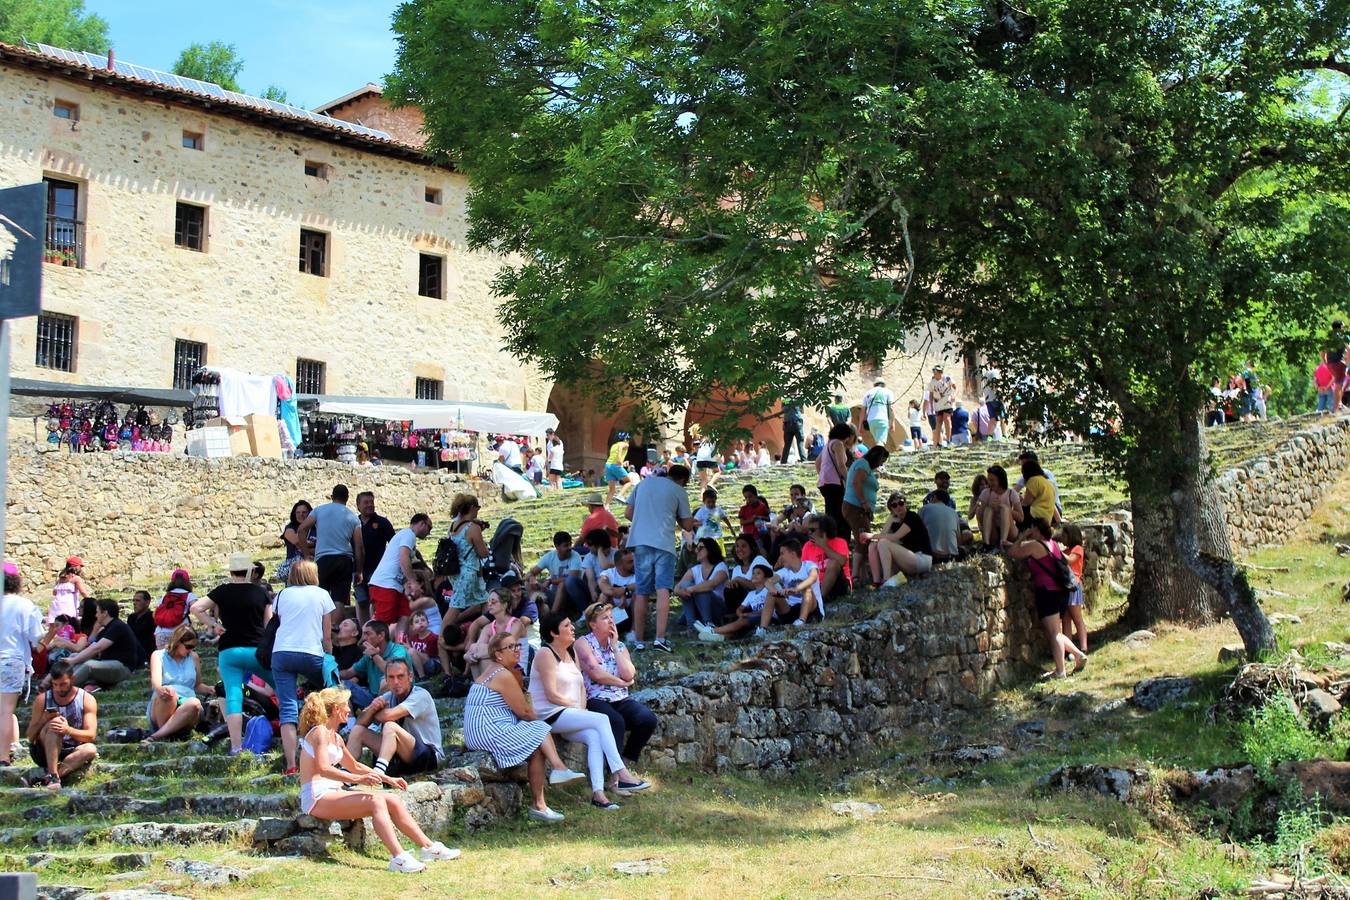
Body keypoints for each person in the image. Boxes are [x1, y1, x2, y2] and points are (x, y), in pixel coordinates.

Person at [296, 687, 460, 873]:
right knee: (376, 802)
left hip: (332, 792)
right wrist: (359, 779)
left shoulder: (336, 737)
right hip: (316, 797)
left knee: (393, 800)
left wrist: (388, 779)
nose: (349, 710)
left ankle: (429, 848)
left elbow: (355, 766)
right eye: (345, 705)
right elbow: (323, 769)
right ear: (335, 709)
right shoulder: (319, 732)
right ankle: (398, 858)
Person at [529, 613, 651, 808]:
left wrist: (581, 709)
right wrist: (579, 710)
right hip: (549, 714)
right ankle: (621, 772)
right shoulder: (545, 653)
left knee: (594, 735)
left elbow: (581, 688)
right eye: (567, 625)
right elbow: (551, 695)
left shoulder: (571, 653)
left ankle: (598, 795)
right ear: (554, 632)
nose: (572, 628)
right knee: (602, 720)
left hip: (569, 714)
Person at [464, 632, 583, 824]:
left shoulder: (490, 670)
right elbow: (525, 712)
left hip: (479, 732)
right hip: (488, 731)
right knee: (540, 728)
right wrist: (543, 726)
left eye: (517, 645)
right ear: (498, 654)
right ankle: (558, 769)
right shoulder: (503, 675)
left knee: (537, 747)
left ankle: (540, 805)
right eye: (510, 647)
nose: (516, 650)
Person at [190, 553, 273, 753]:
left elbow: (196, 607)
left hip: (229, 650)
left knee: (233, 698)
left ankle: (236, 747)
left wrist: (213, 624)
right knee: (281, 687)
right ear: (250, 571)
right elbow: (269, 623)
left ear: (231, 572)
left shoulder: (222, 591)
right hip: (256, 650)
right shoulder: (261, 593)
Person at [575, 602, 659, 772]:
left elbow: (629, 674)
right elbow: (596, 674)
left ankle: (624, 763)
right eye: (605, 618)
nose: (611, 621)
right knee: (616, 721)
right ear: (592, 624)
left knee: (647, 719)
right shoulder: (583, 643)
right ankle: (614, 774)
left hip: (620, 698)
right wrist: (621, 683)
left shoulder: (619, 646)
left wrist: (614, 646)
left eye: (611, 617)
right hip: (595, 698)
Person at [270, 560, 335, 774]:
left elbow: (278, 621)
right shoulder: (322, 594)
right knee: (330, 694)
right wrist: (329, 657)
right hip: (311, 652)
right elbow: (326, 635)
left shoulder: (281, 595)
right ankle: (330, 750)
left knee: (287, 709)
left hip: (281, 652)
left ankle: (291, 765)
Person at [625, 464, 696, 652]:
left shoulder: (643, 484)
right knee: (663, 588)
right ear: (683, 480)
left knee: (642, 591)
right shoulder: (678, 490)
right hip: (664, 543)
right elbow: (688, 525)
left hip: (640, 541)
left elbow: (628, 513)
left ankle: (639, 640)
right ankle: (660, 638)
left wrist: (646, 521)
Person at [1006, 519, 1088, 679]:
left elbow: (1013, 553)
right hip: (1060, 592)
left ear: (1036, 529)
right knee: (1056, 630)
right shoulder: (1053, 544)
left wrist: (1022, 536)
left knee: (1054, 633)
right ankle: (1078, 655)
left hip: (1047, 591)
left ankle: (1060, 670)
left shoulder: (1036, 545)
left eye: (1031, 528)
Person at [347, 658, 442, 778]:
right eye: (391, 677)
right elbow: (359, 723)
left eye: (400, 676)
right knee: (358, 731)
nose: (396, 682)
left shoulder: (421, 695)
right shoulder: (387, 697)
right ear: (386, 680)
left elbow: (388, 716)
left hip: (428, 757)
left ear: (410, 677)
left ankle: (379, 773)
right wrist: (372, 708)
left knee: (390, 726)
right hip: (399, 757)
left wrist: (372, 711)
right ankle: (345, 773)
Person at [1, 563, 52, 767]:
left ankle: (9, 748)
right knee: (5, 711)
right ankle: (3, 756)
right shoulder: (24, 605)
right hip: (10, 660)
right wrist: (53, 632)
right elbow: (38, 644)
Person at [26, 660, 97, 789]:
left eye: (63, 684)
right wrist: (43, 720)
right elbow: (30, 736)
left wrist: (68, 730)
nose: (58, 689)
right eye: (55, 685)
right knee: (55, 725)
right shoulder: (42, 699)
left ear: (73, 679)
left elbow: (91, 735)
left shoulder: (86, 699)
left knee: (90, 749)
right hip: (44, 750)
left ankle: (50, 778)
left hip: (71, 750)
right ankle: (52, 775)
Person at [298, 485, 365, 612]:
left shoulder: (319, 510)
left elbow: (301, 529)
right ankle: (336, 627)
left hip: (323, 559)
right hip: (344, 560)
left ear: (332, 496)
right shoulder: (353, 517)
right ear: (347, 498)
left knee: (319, 597)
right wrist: (359, 570)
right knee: (339, 600)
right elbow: (359, 546)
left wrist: (306, 555)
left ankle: (320, 628)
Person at [368, 513, 433, 637]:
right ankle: (367, 648)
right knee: (381, 624)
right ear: (421, 523)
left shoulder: (406, 536)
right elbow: (404, 558)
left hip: (394, 586)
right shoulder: (409, 534)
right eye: (429, 528)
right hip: (385, 584)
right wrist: (413, 583)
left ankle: (401, 644)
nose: (429, 532)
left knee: (405, 613)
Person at [144, 623, 208, 741]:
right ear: (177, 642)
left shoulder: (194, 657)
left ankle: (158, 736)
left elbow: (198, 685)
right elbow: (156, 683)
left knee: (194, 703)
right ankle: (166, 733)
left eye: (193, 647)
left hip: (187, 704)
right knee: (170, 693)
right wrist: (162, 690)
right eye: (188, 646)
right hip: (165, 702)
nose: (190, 650)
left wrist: (211, 689)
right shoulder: (158, 655)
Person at [64, 598, 140, 689]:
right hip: (108, 663)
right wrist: (74, 658)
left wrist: (73, 661)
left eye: (97, 612)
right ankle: (60, 681)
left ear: (105, 613)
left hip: (123, 667)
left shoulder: (117, 626)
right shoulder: (107, 628)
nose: (96, 615)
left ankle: (64, 688)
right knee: (74, 656)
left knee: (88, 665)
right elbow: (92, 647)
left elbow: (97, 648)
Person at [842, 445, 889, 578]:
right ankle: (855, 574)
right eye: (882, 461)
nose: (881, 464)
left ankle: (863, 574)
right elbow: (856, 483)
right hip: (856, 507)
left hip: (859, 508)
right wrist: (864, 502)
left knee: (862, 538)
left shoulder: (865, 466)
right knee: (863, 539)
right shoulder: (863, 464)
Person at [696, 562, 774, 642]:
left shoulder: (768, 591)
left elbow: (768, 609)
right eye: (753, 573)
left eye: (758, 573)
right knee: (739, 626)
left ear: (766, 578)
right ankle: (720, 637)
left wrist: (748, 614)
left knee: (742, 621)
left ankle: (712, 630)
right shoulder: (751, 594)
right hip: (754, 618)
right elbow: (740, 608)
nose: (754, 575)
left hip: (768, 619)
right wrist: (740, 614)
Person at [869, 494, 933, 586]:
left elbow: (895, 537)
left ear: (905, 504)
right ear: (891, 510)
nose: (898, 507)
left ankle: (887, 580)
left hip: (922, 558)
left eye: (901, 503)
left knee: (883, 543)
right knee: (873, 546)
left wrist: (871, 536)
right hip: (909, 558)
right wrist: (890, 521)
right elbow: (882, 536)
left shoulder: (912, 516)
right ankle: (877, 582)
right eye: (894, 505)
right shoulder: (896, 521)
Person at [758, 540, 822, 632]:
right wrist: (774, 591)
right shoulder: (784, 571)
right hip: (791, 610)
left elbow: (813, 578)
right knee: (770, 594)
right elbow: (768, 581)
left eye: (782, 553)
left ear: (792, 554)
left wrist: (796, 589)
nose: (780, 557)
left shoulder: (809, 565)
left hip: (812, 609)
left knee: (806, 588)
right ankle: (762, 630)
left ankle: (801, 621)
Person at [463, 591, 527, 677]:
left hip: (517, 669)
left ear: (504, 605)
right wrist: (468, 655)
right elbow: (476, 648)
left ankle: (484, 688)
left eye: (493, 601)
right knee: (477, 654)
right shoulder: (488, 627)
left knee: (484, 658)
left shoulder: (516, 624)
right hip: (498, 665)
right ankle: (482, 688)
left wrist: (476, 654)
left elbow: (505, 649)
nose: (489, 604)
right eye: (488, 601)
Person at [447, 494, 489, 623]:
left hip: (455, 571)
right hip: (468, 572)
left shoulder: (453, 525)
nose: (478, 511)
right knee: (455, 606)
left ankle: (486, 629)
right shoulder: (473, 528)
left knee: (484, 600)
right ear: (472, 507)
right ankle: (442, 637)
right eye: (478, 507)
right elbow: (483, 553)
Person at [356, 491, 397, 626]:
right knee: (362, 601)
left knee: (377, 601)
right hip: (358, 569)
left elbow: (394, 544)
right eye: (366, 502)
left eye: (371, 502)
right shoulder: (354, 523)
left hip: (378, 570)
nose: (369, 505)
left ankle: (378, 628)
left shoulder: (382, 522)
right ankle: (364, 630)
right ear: (358, 505)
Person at [348, 621, 409, 708]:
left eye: (367, 634)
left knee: (386, 682)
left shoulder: (398, 650)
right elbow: (349, 672)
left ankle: (378, 714)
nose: (364, 638)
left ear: (381, 636)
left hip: (399, 698)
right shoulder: (368, 655)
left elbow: (392, 671)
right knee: (342, 686)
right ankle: (351, 721)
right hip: (372, 698)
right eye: (364, 634)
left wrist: (374, 655)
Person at [528, 531, 588, 619]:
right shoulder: (550, 556)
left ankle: (552, 616)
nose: (569, 547)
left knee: (563, 583)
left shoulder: (575, 556)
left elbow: (572, 578)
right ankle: (533, 612)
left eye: (570, 544)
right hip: (555, 595)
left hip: (571, 597)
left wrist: (550, 581)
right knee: (528, 583)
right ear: (557, 547)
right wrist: (532, 578)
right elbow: (530, 573)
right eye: (566, 545)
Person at [674, 538, 729, 630]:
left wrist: (691, 589)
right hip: (698, 608)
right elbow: (677, 587)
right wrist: (681, 591)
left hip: (717, 608)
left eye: (700, 548)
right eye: (696, 548)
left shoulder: (720, 566)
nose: (696, 551)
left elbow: (712, 584)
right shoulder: (695, 569)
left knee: (702, 589)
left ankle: (708, 624)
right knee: (685, 585)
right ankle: (691, 625)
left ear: (710, 549)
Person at [816, 423, 857, 543]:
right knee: (841, 515)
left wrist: (824, 475)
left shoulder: (828, 444)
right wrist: (850, 481)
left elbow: (817, 463)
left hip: (825, 484)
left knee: (831, 514)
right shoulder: (838, 444)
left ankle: (831, 541)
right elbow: (841, 465)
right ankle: (842, 542)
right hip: (835, 485)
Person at [802, 514, 851, 603]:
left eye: (812, 530)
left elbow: (842, 561)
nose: (809, 533)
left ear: (823, 531)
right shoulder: (807, 546)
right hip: (816, 585)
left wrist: (824, 546)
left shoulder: (839, 542)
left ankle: (819, 600)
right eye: (808, 530)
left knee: (833, 563)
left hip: (839, 584)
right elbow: (803, 569)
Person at [975, 465, 1023, 548]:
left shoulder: (1011, 493)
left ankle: (1003, 542)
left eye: (992, 480)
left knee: (1004, 509)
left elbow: (1021, 518)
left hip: (1010, 532)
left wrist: (1006, 508)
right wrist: (984, 507)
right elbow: (979, 518)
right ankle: (986, 544)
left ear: (1000, 480)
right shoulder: (986, 493)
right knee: (988, 509)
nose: (989, 483)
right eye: (988, 480)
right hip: (993, 531)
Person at [1059, 523, 1088, 655]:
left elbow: (1070, 560)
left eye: (1064, 535)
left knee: (1077, 617)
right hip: (1064, 586)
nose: (1061, 538)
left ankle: (1083, 647)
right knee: (1065, 618)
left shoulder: (1077, 549)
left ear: (1071, 536)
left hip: (1074, 586)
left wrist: (1056, 552)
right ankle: (1068, 649)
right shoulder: (1064, 551)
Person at [152, 568, 196, 650]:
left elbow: (155, 614)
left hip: (161, 633)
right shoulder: (189, 595)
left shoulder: (165, 596)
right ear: (187, 581)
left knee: (163, 660)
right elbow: (196, 608)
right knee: (182, 660)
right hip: (181, 632)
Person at [596, 547, 639, 629]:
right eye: (630, 562)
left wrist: (623, 591)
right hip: (612, 612)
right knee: (603, 596)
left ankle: (634, 631)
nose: (634, 564)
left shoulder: (638, 575)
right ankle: (598, 627)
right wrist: (625, 592)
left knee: (637, 596)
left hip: (630, 614)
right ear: (619, 565)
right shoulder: (607, 574)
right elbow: (606, 590)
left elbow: (641, 585)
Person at [920, 490, 963, 565]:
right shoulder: (954, 513)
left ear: (935, 497)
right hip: (951, 556)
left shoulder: (925, 509)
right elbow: (958, 540)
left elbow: (916, 531)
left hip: (931, 556)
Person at [278, 500, 314, 581]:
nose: (301, 515)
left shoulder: (315, 528)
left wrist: (302, 547)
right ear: (294, 514)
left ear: (310, 513)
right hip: (294, 570)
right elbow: (295, 541)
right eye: (298, 512)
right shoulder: (290, 527)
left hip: (311, 571)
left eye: (304, 512)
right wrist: (312, 544)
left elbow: (320, 548)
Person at [49, 556, 92, 625]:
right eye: (79, 566)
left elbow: (54, 592)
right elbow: (83, 592)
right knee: (70, 626)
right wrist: (92, 602)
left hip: (57, 606)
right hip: (69, 606)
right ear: (74, 566)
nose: (80, 568)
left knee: (56, 627)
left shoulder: (60, 579)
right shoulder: (76, 578)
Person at [1020, 458, 1060, 528]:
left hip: (1036, 515)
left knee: (1016, 510)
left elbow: (1026, 503)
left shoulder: (1033, 480)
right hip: (1048, 518)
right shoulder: (1048, 482)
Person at [403, 612, 440, 678]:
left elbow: (429, 657)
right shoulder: (413, 638)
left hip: (433, 665)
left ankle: (422, 677)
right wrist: (408, 646)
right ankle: (410, 676)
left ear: (428, 623)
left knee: (411, 651)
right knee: (406, 650)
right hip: (421, 665)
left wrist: (410, 649)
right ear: (412, 627)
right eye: (417, 622)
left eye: (423, 620)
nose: (420, 623)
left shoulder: (433, 638)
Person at [1324, 320, 1350, 415]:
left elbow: (1322, 352)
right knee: (1339, 386)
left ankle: (1339, 404)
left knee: (1339, 384)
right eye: (1343, 326)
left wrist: (1325, 362)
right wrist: (1347, 362)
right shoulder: (1345, 337)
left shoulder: (1328, 338)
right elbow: (1349, 349)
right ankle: (1335, 410)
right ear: (1340, 327)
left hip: (1330, 364)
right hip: (1340, 363)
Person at [125, 590, 155, 667]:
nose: (134, 603)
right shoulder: (131, 618)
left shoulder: (152, 617)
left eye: (138, 600)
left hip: (147, 652)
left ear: (147, 602)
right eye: (133, 600)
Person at [927, 367, 955, 446]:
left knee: (947, 419)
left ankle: (949, 440)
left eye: (936, 373)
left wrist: (954, 396)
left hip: (947, 403)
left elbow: (955, 387)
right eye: (934, 373)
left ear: (940, 372)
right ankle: (936, 443)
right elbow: (931, 394)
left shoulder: (947, 379)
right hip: (938, 405)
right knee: (938, 422)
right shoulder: (932, 382)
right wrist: (931, 405)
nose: (935, 374)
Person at [861, 379, 895, 446]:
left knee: (877, 441)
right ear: (884, 385)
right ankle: (879, 456)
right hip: (882, 419)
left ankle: (878, 455)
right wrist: (892, 422)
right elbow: (891, 408)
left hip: (871, 421)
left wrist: (860, 425)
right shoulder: (888, 392)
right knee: (880, 442)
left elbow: (863, 411)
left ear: (874, 385)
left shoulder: (868, 393)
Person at [604, 432, 631, 507]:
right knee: (629, 481)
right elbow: (620, 447)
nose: (628, 441)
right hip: (615, 465)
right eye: (628, 439)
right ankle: (620, 495)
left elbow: (613, 456)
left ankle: (606, 507)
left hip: (608, 465)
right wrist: (619, 459)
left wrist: (622, 462)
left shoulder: (613, 445)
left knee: (611, 489)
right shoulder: (624, 444)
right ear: (625, 439)